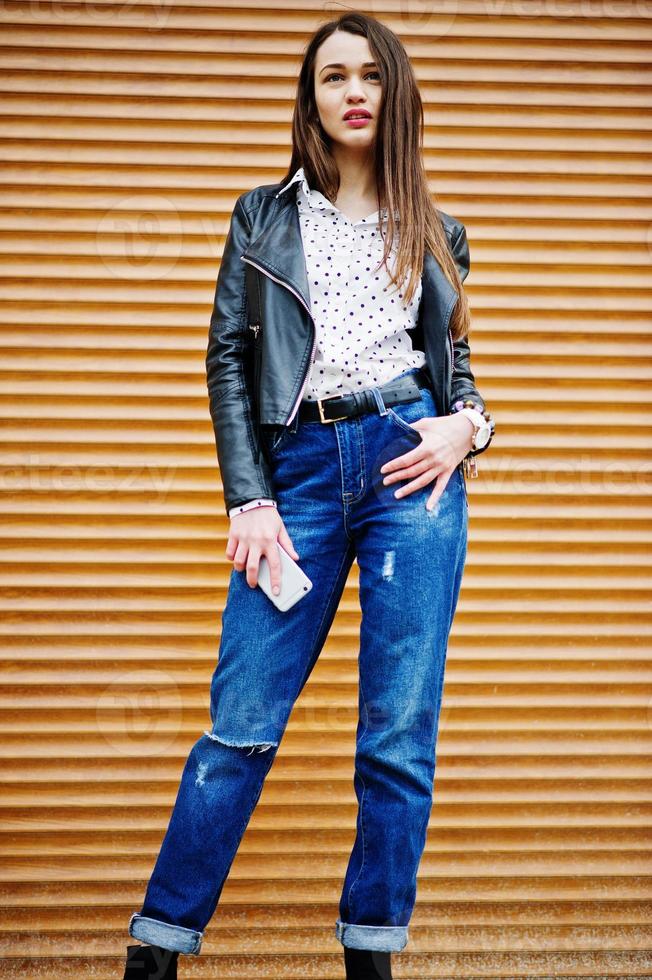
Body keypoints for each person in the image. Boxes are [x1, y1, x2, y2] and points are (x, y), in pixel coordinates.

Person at [122, 11, 495, 980]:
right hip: (295, 478)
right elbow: (225, 363)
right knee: (239, 720)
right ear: (311, 98)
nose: (353, 91)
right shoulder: (262, 215)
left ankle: (370, 953)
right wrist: (247, 496)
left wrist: (469, 427)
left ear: (394, 91)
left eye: (370, 74)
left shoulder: (439, 231)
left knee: (398, 731)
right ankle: (157, 946)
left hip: (410, 468)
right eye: (333, 77)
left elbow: (460, 381)